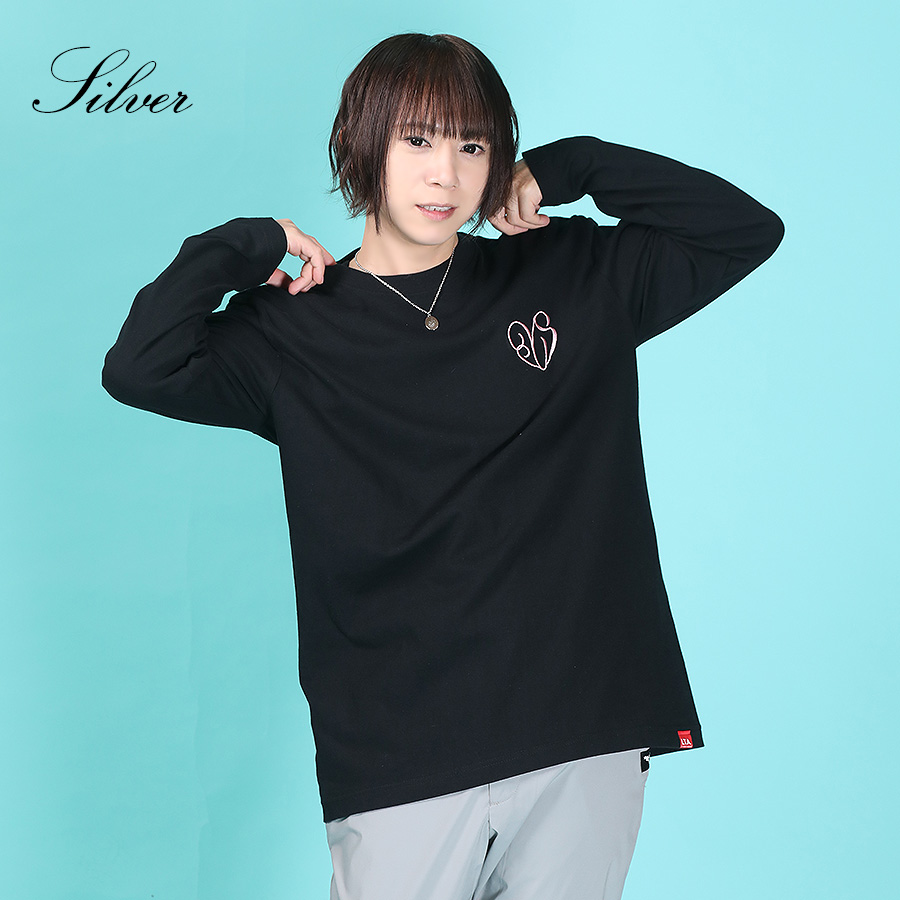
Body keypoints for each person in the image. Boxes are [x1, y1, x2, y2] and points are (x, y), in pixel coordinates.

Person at [102, 32, 784, 900]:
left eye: (472, 145)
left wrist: (574, 164)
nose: (446, 173)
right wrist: (249, 242)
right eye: (418, 140)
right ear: (363, 144)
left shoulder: (572, 273)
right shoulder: (293, 333)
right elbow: (139, 367)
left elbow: (744, 231)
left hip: (582, 731)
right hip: (401, 759)